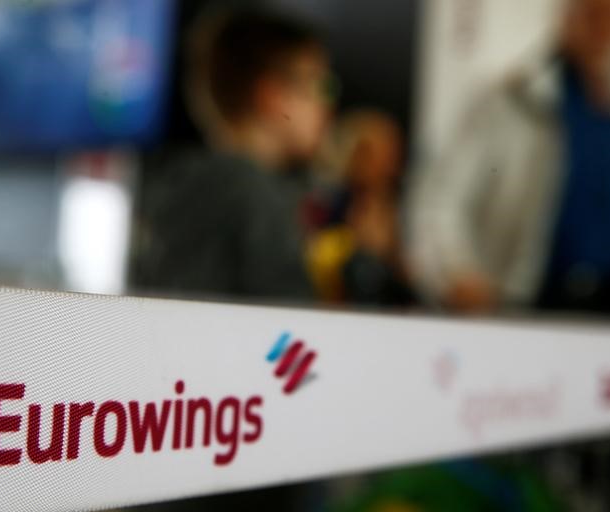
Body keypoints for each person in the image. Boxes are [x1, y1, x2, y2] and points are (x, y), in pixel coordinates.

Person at [407, 0, 610, 317]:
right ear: (567, 18)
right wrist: (456, 271)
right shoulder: (508, 100)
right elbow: (439, 198)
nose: (605, 31)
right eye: (593, 15)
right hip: (530, 300)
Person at [132, 7, 333, 304]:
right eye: (321, 86)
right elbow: (293, 333)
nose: (327, 106)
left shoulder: (170, 185)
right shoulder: (255, 195)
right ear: (272, 96)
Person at [307, 110, 415, 306]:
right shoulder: (327, 205)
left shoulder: (407, 212)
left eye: (391, 153)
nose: (383, 162)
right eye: (368, 152)